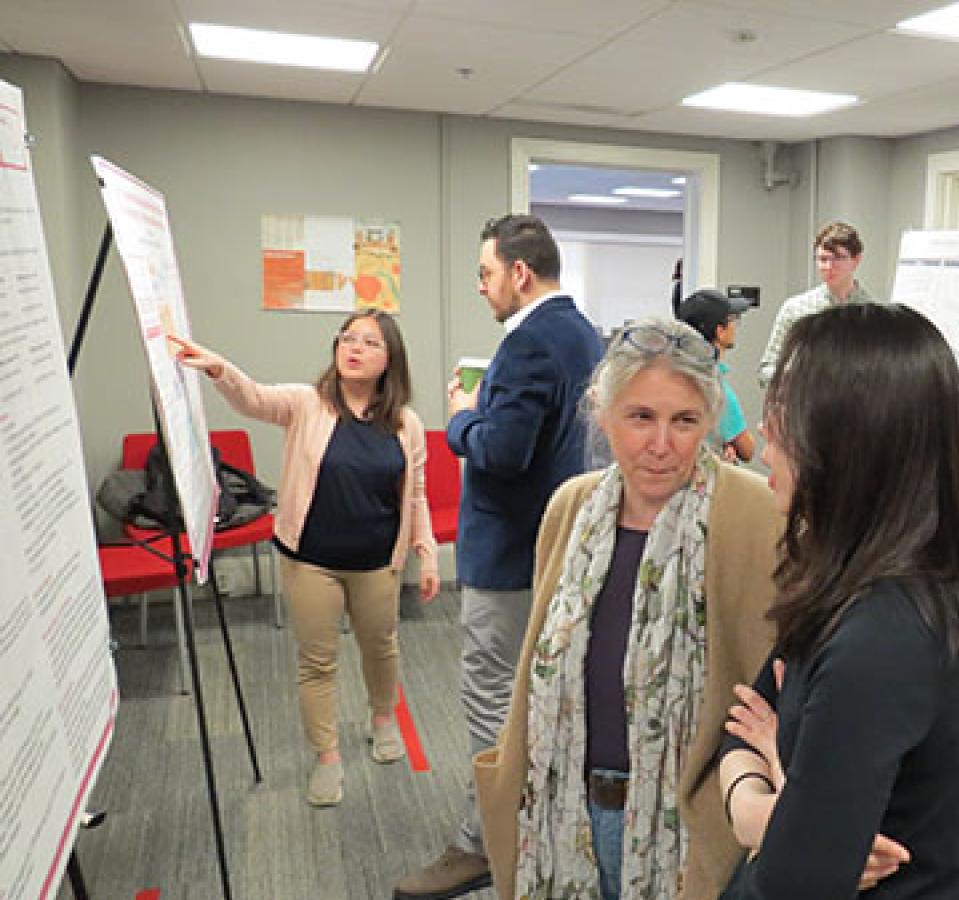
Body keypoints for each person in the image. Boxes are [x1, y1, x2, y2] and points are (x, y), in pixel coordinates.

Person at [470, 317, 780, 900]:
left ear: (709, 423)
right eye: (641, 417)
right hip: (567, 813)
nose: (661, 445)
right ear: (604, 415)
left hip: (694, 826)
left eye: (684, 421)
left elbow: (781, 677)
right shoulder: (572, 507)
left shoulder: (756, 515)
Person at [720, 303, 959, 899]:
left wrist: (780, 795)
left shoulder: (884, 636)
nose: (766, 434)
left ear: (847, 444)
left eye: (787, 414)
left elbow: (792, 880)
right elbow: (740, 728)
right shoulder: (839, 581)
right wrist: (772, 801)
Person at [396, 214, 604, 899]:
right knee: (543, 699)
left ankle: (484, 844)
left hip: (509, 556)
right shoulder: (581, 333)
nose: (482, 290)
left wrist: (461, 414)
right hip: (555, 551)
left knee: (492, 704)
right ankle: (531, 824)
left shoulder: (528, 346)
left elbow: (501, 452)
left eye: (486, 276)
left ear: (520, 272)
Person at [168, 311, 439, 807]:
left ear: (389, 359)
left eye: (369, 342)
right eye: (347, 338)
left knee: (381, 647)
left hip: (378, 561)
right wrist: (216, 368)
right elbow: (253, 397)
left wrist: (427, 550)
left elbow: (415, 493)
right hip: (311, 559)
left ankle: (383, 719)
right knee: (317, 661)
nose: (354, 347)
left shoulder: (405, 423)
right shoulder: (307, 403)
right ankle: (327, 756)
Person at [756, 221, 872, 388]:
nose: (829, 266)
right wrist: (795, 375)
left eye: (838, 258)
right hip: (805, 406)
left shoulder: (872, 314)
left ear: (856, 259)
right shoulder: (795, 309)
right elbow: (765, 371)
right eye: (823, 259)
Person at [676, 287, 755, 462]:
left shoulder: (676, 375)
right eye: (733, 320)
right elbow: (748, 450)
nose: (735, 326)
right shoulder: (715, 388)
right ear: (720, 331)